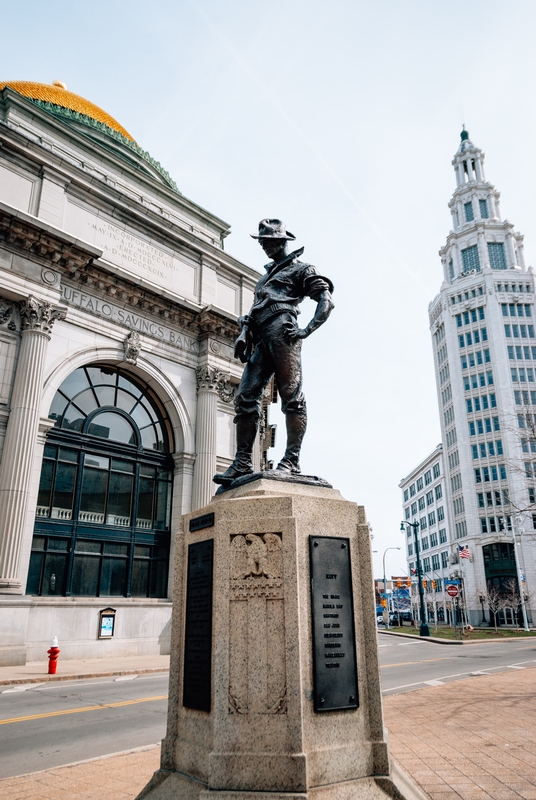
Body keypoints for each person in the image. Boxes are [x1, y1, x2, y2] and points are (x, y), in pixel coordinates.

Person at [214, 219, 334, 484]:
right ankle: (243, 463)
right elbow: (253, 313)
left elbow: (326, 299)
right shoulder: (264, 278)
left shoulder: (302, 269)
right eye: (261, 242)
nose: (264, 246)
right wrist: (244, 333)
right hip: (259, 336)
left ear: (282, 242)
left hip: (283, 331)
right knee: (245, 398)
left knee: (291, 397)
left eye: (268, 241)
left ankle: (291, 461)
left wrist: (307, 329)